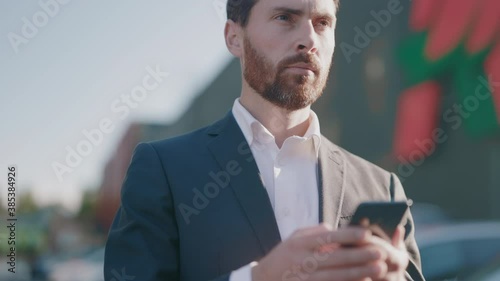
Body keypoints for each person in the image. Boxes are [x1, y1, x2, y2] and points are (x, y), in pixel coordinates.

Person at [104, 0, 425, 280]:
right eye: (285, 17)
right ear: (234, 37)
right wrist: (259, 278)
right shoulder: (163, 170)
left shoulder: (384, 187)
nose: (309, 39)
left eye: (323, 23)